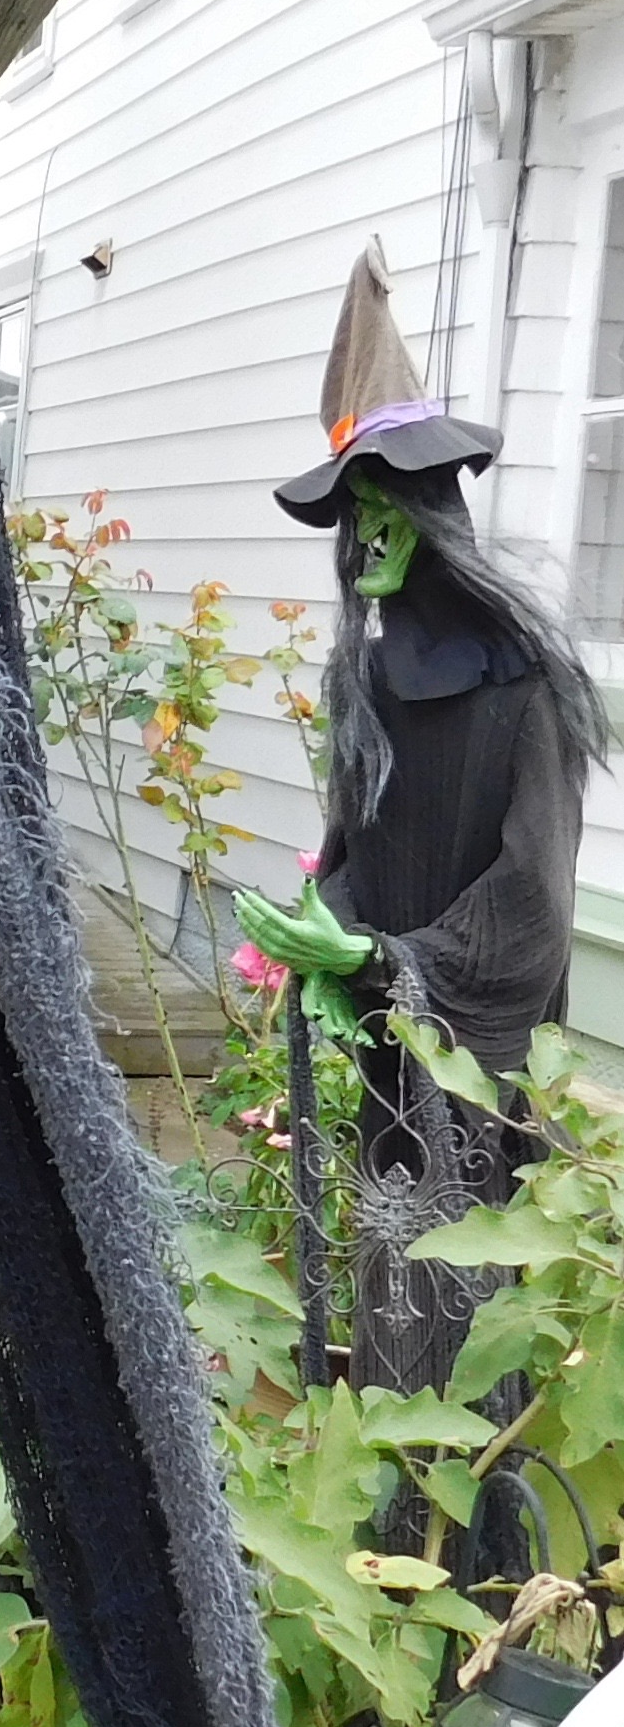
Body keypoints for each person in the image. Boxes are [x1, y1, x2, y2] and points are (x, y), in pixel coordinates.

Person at [236, 253, 610, 1398]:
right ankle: (391, 1476)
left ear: (430, 519)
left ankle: (473, 1494)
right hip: (392, 1051)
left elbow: (532, 906)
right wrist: (324, 937)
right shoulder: (366, 685)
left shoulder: (523, 692)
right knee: (390, 1269)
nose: (366, 539)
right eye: (353, 520)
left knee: (470, 1296)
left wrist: (379, 958)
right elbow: (353, 848)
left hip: (481, 1061)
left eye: (383, 513)